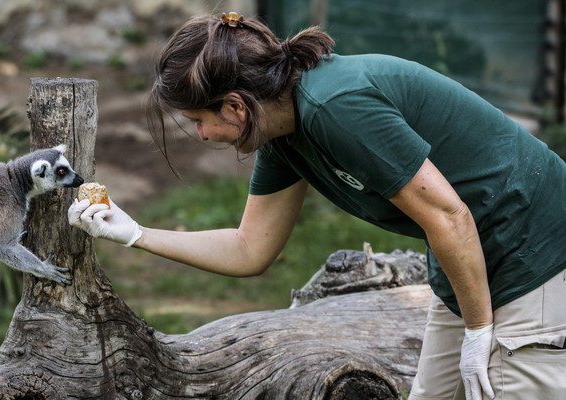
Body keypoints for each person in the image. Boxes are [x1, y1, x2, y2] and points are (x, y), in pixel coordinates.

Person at [68, 12, 566, 400]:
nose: (200, 135)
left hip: (533, 250)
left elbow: (448, 215)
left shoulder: (337, 106)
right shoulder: (282, 133)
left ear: (236, 106)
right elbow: (249, 248)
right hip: (466, 261)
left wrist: (479, 332)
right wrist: (136, 233)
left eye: (200, 120)